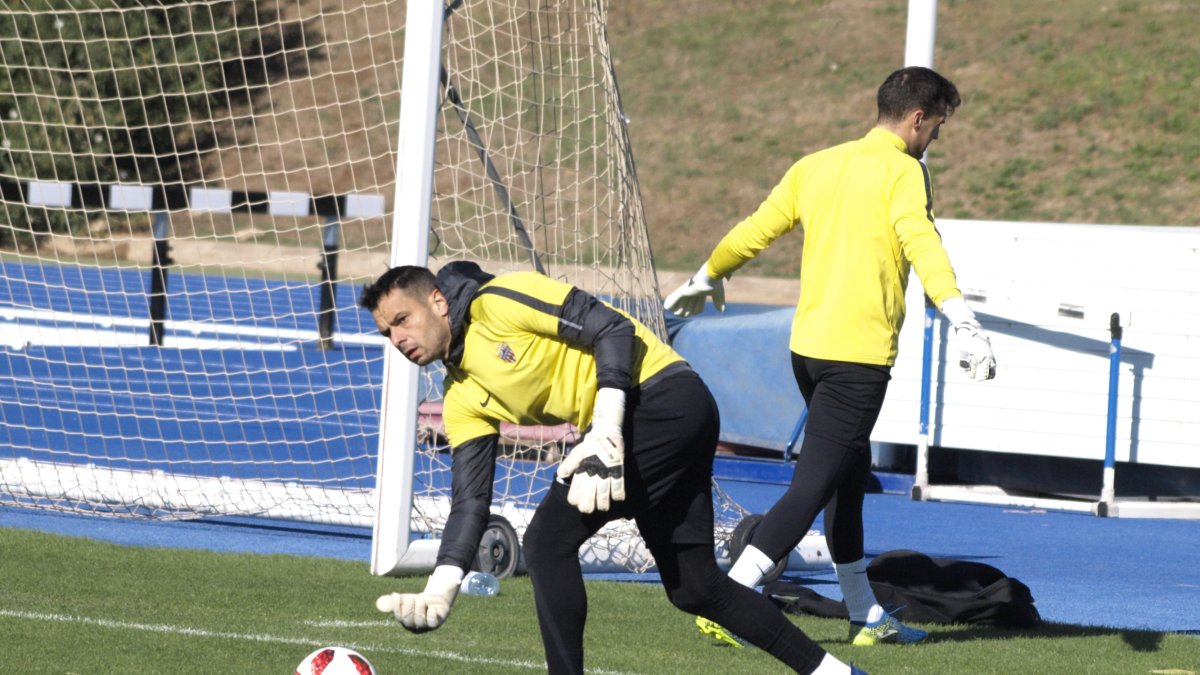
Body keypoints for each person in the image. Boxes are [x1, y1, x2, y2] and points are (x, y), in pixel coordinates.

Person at [367, 262, 869, 675]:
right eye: (387, 331)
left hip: (664, 399)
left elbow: (614, 328)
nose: (396, 338)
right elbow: (471, 501)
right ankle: (836, 674)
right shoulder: (459, 398)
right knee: (695, 587)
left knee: (545, 542)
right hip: (642, 423)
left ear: (436, 301)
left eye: (401, 319)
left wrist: (606, 427)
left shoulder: (502, 299)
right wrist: (441, 587)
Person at [664, 66, 996, 647]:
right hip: (856, 359)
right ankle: (729, 598)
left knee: (847, 476)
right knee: (813, 486)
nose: (933, 141)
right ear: (918, 118)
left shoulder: (816, 164)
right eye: (937, 129)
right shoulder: (903, 171)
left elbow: (755, 229)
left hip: (809, 351)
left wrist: (709, 272)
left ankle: (865, 614)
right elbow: (922, 242)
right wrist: (961, 316)